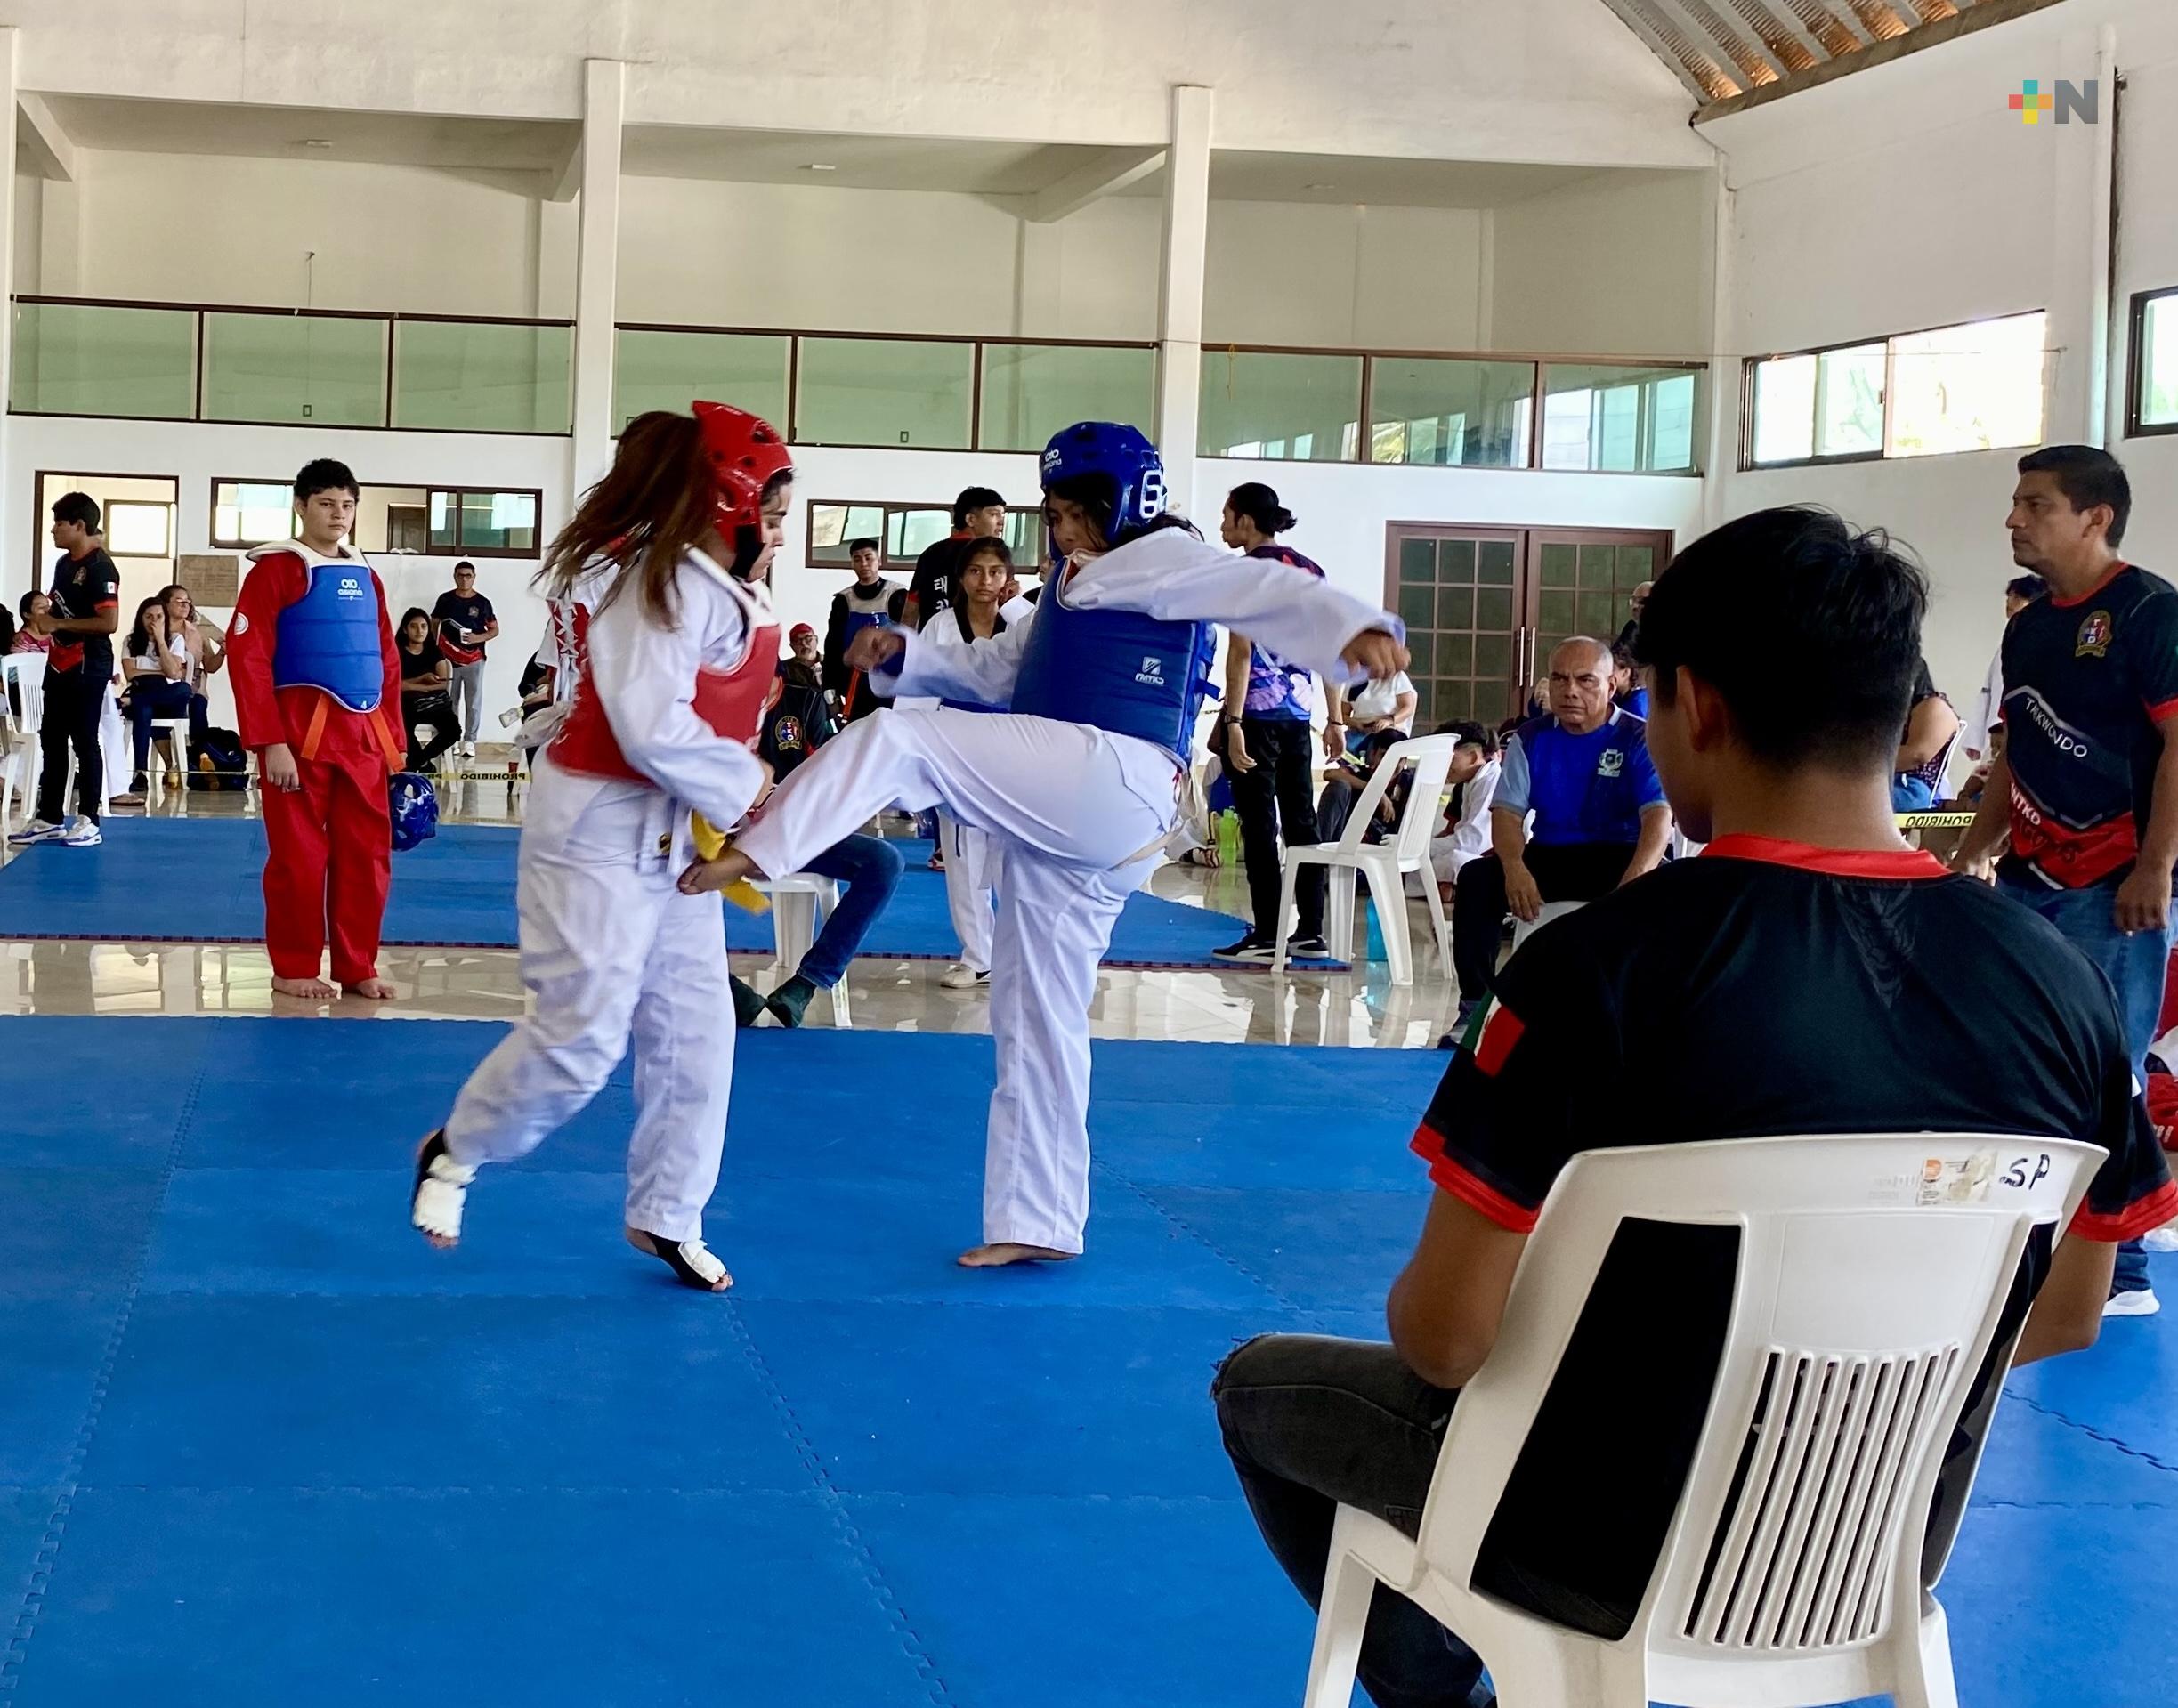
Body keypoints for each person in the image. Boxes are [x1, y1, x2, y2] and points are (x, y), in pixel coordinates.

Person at [1212, 506, 2175, 1708]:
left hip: (1587, 1539)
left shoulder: (1593, 969)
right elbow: (2067, 1311)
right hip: (1871, 1536)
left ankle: (1447, 1689)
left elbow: (1445, 1337)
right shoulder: (2061, 985)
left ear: (1696, 705)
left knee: (1256, 1383)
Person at [681, 421, 1405, 1267]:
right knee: (1034, 1010)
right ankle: (1040, 1220)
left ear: (1125, 502)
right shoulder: (1068, 583)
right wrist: (904, 658)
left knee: (904, 743)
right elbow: (997, 675)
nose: (1059, 531)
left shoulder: (1161, 555)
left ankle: (754, 850)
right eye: (1052, 514)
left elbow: (1250, 584)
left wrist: (1347, 627)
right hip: (1077, 808)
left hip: (1114, 775)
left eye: (1073, 513)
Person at [409, 403, 790, 1294]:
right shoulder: (638, 578)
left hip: (670, 830)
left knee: (697, 1033)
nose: (774, 526)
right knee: (581, 1038)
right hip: (596, 829)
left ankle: (667, 1210)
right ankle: (456, 1147)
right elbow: (650, 721)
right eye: (765, 508)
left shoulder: (713, 576)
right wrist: (747, 787)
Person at [1953, 445, 2177, 1315]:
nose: (2012, 518)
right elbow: (2019, 750)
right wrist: (1974, 846)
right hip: (2026, 876)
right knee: (2015, 1058)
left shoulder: (2150, 613)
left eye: (2033, 504)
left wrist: (2152, 866)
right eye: (2014, 502)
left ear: (2094, 517)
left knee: (2105, 1067)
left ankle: (2118, 1272)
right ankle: (2029, 1243)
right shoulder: (2029, 625)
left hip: (2113, 884)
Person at [224, 459, 406, 1002]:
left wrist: (394, 744)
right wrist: (269, 741)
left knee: (367, 859)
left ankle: (358, 964)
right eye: (326, 503)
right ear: (301, 506)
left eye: (348, 505)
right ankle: (295, 965)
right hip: (299, 738)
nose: (339, 515)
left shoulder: (366, 575)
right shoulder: (274, 571)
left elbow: (386, 661)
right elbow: (248, 657)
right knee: (300, 859)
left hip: (364, 738)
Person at [1448, 636, 1671, 1033]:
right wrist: (1514, 867)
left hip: (1620, 854)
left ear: (1611, 684)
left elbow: (1658, 818)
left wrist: (1635, 881)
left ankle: (1645, 1018)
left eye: (1586, 680)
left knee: (1672, 893)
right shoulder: (1531, 737)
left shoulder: (1639, 736)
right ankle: (1475, 1008)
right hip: (1551, 853)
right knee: (1476, 880)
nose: (1570, 691)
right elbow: (1506, 813)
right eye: (1559, 678)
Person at [1214, 482, 1333, 962]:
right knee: (1302, 824)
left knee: (1260, 825)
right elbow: (1329, 647)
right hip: (1299, 714)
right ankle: (1311, 930)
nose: (1223, 526)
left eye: (1226, 517)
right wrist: (1335, 717)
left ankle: (1267, 933)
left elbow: (1240, 653)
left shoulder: (1246, 574)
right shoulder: (1310, 570)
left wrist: (1235, 720)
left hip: (1258, 715)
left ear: (1246, 520)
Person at [925, 537, 1035, 991]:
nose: (984, 581)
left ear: (1009, 578)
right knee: (963, 857)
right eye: (975, 571)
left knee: (1012, 861)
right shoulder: (940, 625)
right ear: (961, 578)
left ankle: (1015, 956)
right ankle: (978, 956)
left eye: (994, 572)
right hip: (954, 747)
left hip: (1013, 748)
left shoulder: (1024, 623)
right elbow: (918, 690)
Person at [10, 493, 121, 849]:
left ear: (79, 525)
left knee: (85, 740)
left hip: (88, 663)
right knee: (51, 738)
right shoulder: (63, 564)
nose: (54, 529)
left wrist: (55, 623)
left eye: (59, 523)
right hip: (57, 663)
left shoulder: (101, 567)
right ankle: (50, 817)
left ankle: (89, 818)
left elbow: (109, 621)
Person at [118, 595, 209, 795]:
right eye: (148, 616)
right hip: (143, 691)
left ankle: (132, 702)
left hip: (168, 695)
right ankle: (140, 773)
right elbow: (131, 673)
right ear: (140, 618)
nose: (153, 621)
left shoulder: (175, 639)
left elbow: (172, 673)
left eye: (159, 617)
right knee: (144, 708)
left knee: (184, 690)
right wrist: (161, 672)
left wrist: (160, 640)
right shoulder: (131, 641)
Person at [1963, 573, 2046, 765]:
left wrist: (2002, 724)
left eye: (2018, 597)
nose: (2010, 601)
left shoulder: (2035, 640)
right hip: (1999, 725)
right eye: (2009, 596)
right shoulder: (2011, 637)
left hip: (2014, 726)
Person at [901, 487, 1007, 632]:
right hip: (977, 646)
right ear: (970, 519)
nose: (1001, 522)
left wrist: (905, 646)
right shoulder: (995, 555)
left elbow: (911, 610)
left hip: (932, 645)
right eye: (994, 514)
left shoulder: (931, 553)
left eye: (1002, 515)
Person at [1426, 723, 1502, 903]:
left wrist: (1423, 848)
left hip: (1504, 861)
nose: (1443, 767)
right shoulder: (1472, 782)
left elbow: (1472, 842)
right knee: (1433, 861)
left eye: (1449, 760)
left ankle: (1446, 886)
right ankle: (1446, 886)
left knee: (1455, 861)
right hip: (1481, 854)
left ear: (1473, 756)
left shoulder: (1492, 781)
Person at [824, 538, 897, 723]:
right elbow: (833, 644)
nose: (863, 564)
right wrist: (829, 685)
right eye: (857, 559)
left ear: (879, 560)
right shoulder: (843, 600)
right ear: (852, 563)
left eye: (868, 558)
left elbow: (909, 637)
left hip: (889, 680)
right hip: (854, 682)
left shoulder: (896, 594)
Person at [432, 561, 498, 757]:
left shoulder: (483, 603)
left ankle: (469, 741)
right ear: (454, 576)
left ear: (474, 577)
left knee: (473, 702)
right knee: (449, 702)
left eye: (468, 575)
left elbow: (495, 629)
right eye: (460, 575)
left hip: (474, 659)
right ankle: (450, 738)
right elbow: (434, 622)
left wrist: (478, 638)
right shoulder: (445, 600)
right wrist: (436, 647)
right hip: (448, 661)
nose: (464, 579)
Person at [394, 607, 460, 773]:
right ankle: (421, 764)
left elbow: (444, 683)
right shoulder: (396, 653)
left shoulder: (434, 652)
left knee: (453, 731)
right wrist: (422, 681)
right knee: (402, 729)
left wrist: (411, 685)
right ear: (405, 629)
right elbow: (395, 684)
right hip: (407, 703)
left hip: (435, 704)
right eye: (414, 626)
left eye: (424, 626)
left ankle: (420, 762)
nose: (419, 631)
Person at [1891, 658, 1960, 810]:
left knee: (1843, 797)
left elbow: (1917, 755)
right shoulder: (1896, 710)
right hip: (1885, 783)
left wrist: (1858, 764)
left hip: (1914, 789)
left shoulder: (1935, 706)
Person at [1332, 669, 1417, 754]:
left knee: (1381, 750)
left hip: (1389, 729)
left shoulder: (1397, 676)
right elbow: (1342, 715)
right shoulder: (1354, 680)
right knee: (1342, 746)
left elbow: (1408, 708)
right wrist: (1356, 724)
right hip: (1359, 730)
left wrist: (1389, 720)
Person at [1613, 579, 1653, 653]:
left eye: (1641, 601)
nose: (1634, 606)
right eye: (1633, 600)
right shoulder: (1631, 628)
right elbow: (1615, 656)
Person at [781, 622, 824, 689]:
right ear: (792, 646)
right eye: (797, 641)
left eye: (808, 639)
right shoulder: (783, 669)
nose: (803, 644)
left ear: (816, 640)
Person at [11, 590, 52, 654]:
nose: (47, 610)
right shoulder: (21, 640)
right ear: (26, 614)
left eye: (48, 606)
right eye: (41, 607)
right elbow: (18, 663)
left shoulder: (55, 635)